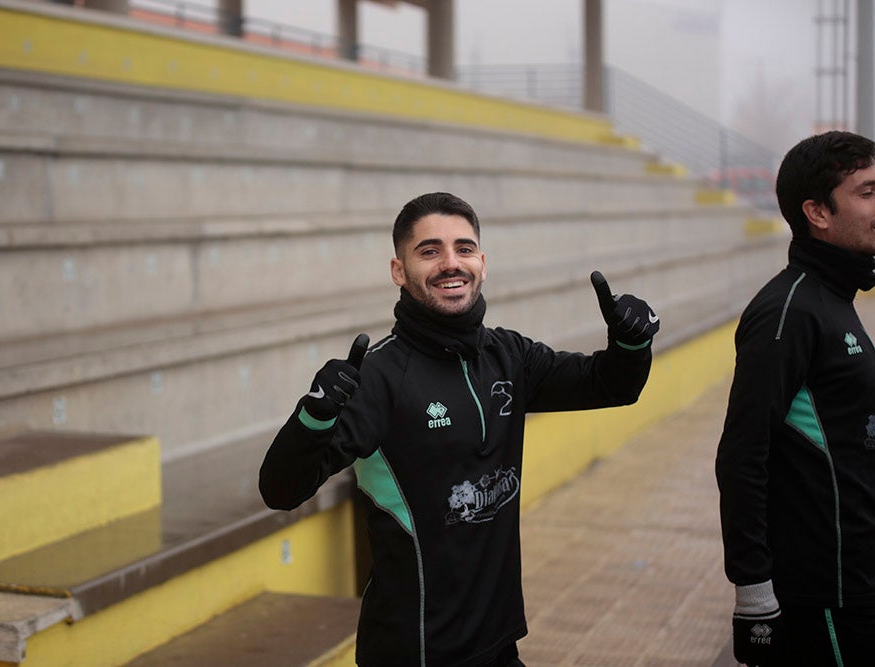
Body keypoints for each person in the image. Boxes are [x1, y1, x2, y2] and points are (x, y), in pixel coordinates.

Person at [259, 192, 659, 666]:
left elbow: (610, 385)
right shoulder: (379, 378)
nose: (451, 263)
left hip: (498, 641)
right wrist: (313, 417)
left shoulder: (511, 355)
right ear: (398, 270)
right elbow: (280, 489)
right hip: (415, 650)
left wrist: (631, 344)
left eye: (464, 249)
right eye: (429, 251)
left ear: (482, 263)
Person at [716, 131, 875, 667]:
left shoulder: (836, 299)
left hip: (857, 576)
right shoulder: (788, 310)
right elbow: (742, 454)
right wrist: (754, 594)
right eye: (868, 192)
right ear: (818, 212)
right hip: (822, 592)